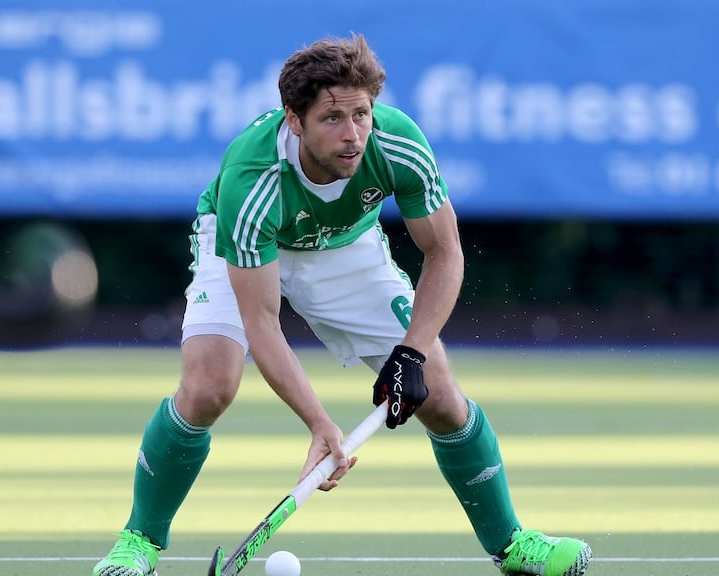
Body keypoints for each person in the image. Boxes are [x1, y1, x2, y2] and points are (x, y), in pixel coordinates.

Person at [93, 34, 592, 576]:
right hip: (245, 247)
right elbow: (262, 321)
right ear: (294, 120)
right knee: (210, 385)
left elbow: (445, 252)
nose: (353, 135)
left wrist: (413, 355)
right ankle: (137, 543)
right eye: (333, 118)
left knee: (442, 399)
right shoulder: (251, 181)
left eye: (362, 114)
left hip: (345, 245)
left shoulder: (397, 143)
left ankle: (513, 546)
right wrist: (319, 424)